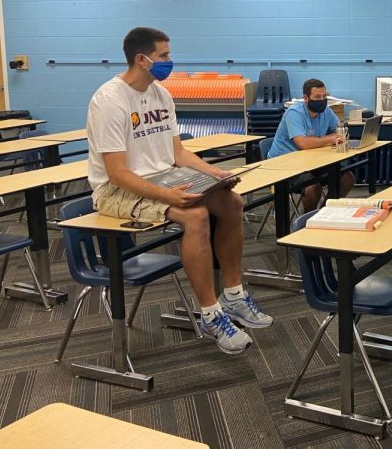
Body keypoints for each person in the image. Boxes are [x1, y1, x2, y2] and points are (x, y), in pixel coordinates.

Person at [86, 27, 271, 355]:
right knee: (196, 214)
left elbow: (178, 154)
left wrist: (216, 174)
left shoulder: (161, 95)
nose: (170, 62)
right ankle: (210, 314)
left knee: (231, 202)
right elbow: (116, 173)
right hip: (115, 190)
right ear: (142, 59)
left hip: (164, 177)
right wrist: (169, 197)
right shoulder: (109, 100)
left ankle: (234, 295)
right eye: (164, 56)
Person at [268, 78, 355, 212]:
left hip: (311, 160)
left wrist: (337, 136)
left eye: (324, 96)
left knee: (346, 177)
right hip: (284, 164)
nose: (322, 100)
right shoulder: (294, 113)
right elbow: (302, 143)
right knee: (312, 187)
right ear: (306, 98)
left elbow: (339, 129)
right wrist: (328, 139)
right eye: (317, 97)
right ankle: (308, 218)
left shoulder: (326, 111)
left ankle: (325, 213)